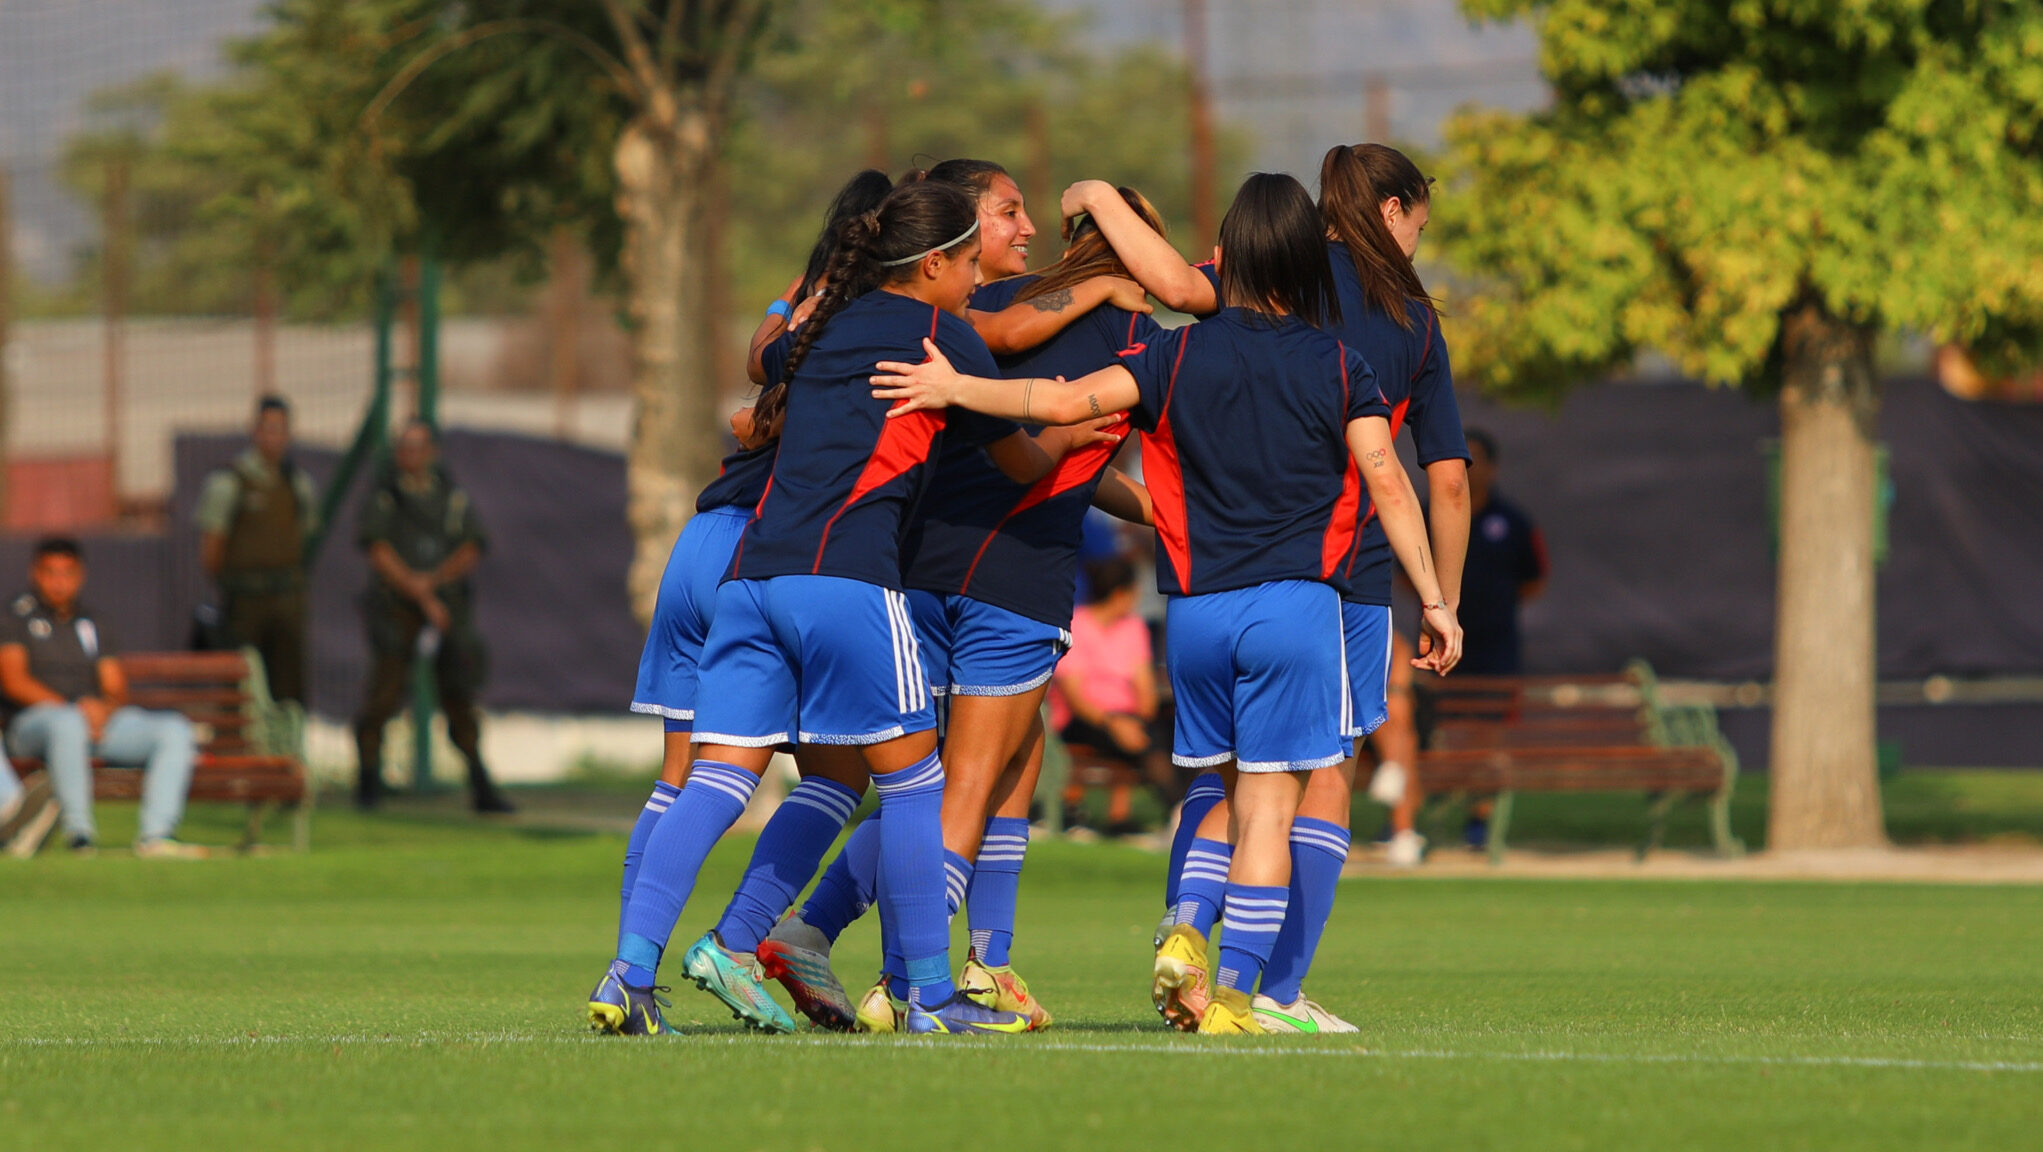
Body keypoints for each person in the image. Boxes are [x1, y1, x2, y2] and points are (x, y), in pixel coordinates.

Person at [871, 171, 1462, 1034]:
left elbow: (1063, 403)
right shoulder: (1342, 365)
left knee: (1209, 786)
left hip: (1192, 618)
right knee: (1268, 800)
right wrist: (1436, 602)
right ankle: (1237, 989)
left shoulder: (1170, 355)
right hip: (1295, 609)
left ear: (1227, 256)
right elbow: (1392, 482)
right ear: (1304, 262)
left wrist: (960, 390)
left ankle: (1183, 922)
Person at [589, 178, 1108, 1038]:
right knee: (914, 785)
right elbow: (1022, 458)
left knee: (714, 783)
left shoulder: (821, 327)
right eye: (970, 263)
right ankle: (933, 1000)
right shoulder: (944, 335)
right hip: (848, 581)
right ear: (935, 262)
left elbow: (766, 370)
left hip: (751, 581)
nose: (977, 280)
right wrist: (1064, 426)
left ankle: (628, 976)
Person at [1066, 142, 1472, 1029]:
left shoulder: (1266, 270)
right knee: (1314, 777)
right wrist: (1441, 597)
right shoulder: (1409, 316)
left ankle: (1187, 942)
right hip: (1341, 576)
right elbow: (1440, 476)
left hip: (1212, 577)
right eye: (1418, 222)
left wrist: (1099, 192)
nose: (1414, 242)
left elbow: (1174, 288)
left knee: (1217, 779)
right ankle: (1275, 992)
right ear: (1396, 210)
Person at [757, 171, 1158, 1034]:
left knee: (964, 775)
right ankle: (901, 978)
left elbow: (1072, 455)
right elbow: (1058, 444)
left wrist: (1136, 502)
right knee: (961, 791)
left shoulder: (987, 307)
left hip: (923, 561)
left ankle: (983, 962)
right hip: (1016, 576)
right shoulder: (1141, 336)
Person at [600, 169, 893, 1037]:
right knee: (850, 775)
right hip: (775, 552)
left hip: (704, 538)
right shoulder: (893, 323)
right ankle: (740, 942)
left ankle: (626, 969)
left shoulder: (802, 311)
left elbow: (755, 379)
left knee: (684, 775)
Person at [0, 537, 204, 857]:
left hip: (90, 726)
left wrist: (103, 709)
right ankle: (79, 834)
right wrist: (73, 710)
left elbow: (114, 686)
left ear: (80, 575)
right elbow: (13, 680)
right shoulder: (16, 618)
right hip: (34, 726)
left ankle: (157, 835)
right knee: (66, 723)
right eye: (50, 573)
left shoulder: (93, 623)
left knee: (173, 729)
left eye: (67, 573)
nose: (58, 582)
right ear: (35, 574)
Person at [351, 421, 513, 814]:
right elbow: (378, 549)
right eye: (404, 447)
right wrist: (418, 590)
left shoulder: (450, 497)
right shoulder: (386, 497)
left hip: (446, 607)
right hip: (397, 606)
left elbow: (472, 546)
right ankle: (369, 780)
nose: (410, 455)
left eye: (418, 447)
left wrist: (434, 583)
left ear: (432, 452)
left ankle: (479, 780)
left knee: (459, 692)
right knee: (385, 692)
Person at [194, 394, 318, 703]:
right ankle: (238, 750)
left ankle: (286, 749)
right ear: (255, 431)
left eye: (280, 429)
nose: (274, 437)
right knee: (241, 686)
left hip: (287, 598)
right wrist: (230, 585)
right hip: (244, 601)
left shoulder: (298, 484)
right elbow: (212, 547)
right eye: (268, 428)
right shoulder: (230, 481)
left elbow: (303, 535)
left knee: (288, 687)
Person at [1051, 555, 1172, 825]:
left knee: (1160, 733)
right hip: (1084, 719)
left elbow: (1146, 692)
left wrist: (1138, 720)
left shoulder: (1133, 628)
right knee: (1150, 745)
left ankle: (1172, 811)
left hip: (1129, 719)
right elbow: (1076, 699)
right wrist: (1115, 723)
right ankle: (1176, 809)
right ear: (1120, 594)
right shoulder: (1076, 625)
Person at [1459, 428, 1547, 675]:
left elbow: (1535, 580)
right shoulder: (1426, 515)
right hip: (1441, 639)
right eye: (1459, 458)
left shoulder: (1514, 522)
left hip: (1496, 645)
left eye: (1473, 459)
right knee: (1439, 711)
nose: (1467, 467)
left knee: (1495, 707)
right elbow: (1405, 574)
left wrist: (1494, 602)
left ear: (1492, 467)